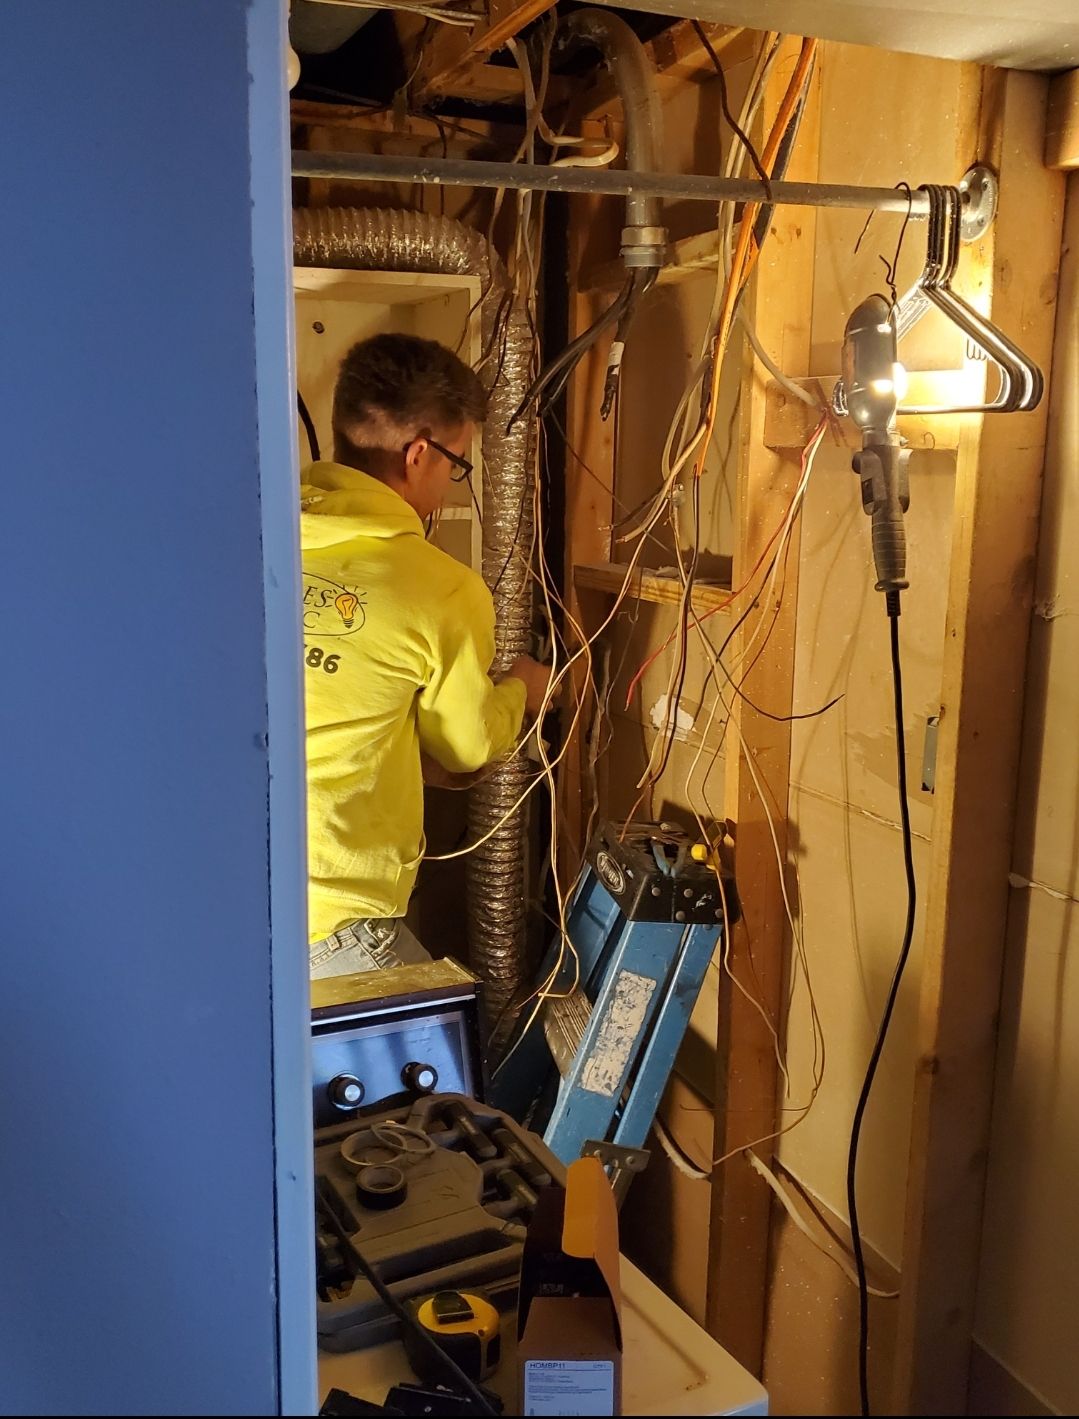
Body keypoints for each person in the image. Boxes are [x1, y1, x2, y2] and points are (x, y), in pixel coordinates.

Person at [302, 332, 549, 979]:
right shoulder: (438, 587)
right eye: (457, 464)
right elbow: (466, 747)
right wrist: (522, 688)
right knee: (442, 1071)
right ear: (419, 454)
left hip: (225, 905)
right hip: (339, 924)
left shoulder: (257, 540)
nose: (449, 483)